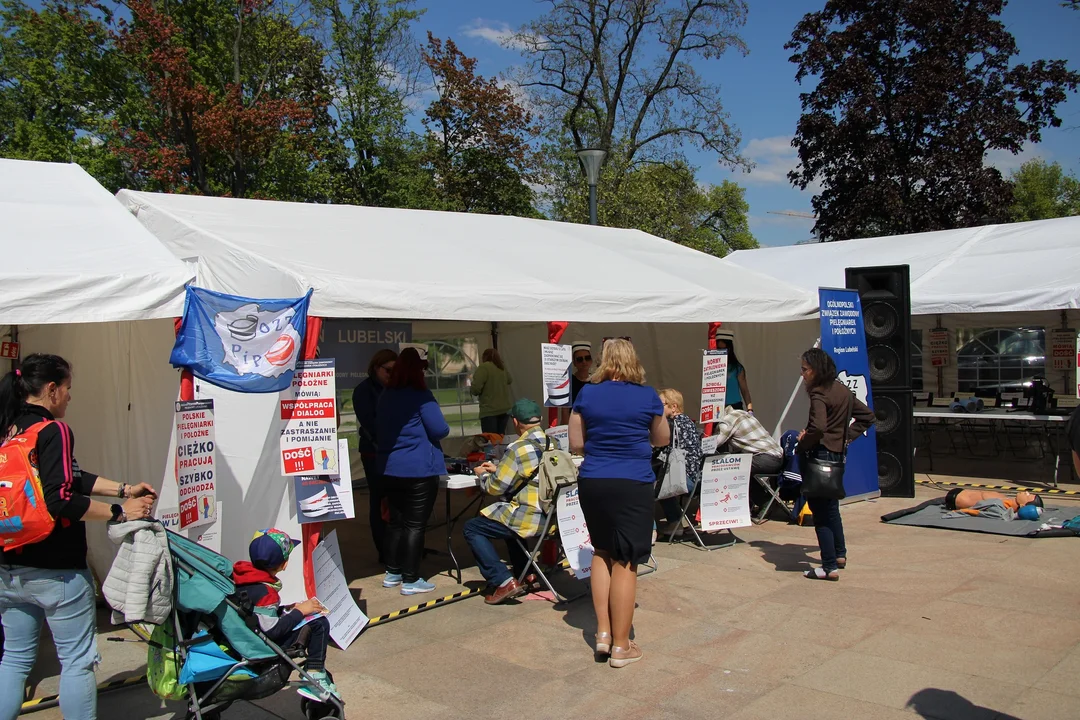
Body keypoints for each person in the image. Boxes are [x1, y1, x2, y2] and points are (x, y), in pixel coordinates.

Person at [0, 354, 156, 720]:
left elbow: (70, 475)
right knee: (77, 661)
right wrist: (122, 512)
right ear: (51, 390)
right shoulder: (54, 430)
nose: (70, 397)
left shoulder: (9, 429)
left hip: (10, 567)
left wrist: (124, 489)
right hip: (58, 571)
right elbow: (61, 498)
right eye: (68, 389)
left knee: (15, 658)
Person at [569, 339, 669, 668]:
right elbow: (662, 438)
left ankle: (603, 634)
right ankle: (622, 647)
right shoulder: (647, 396)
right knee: (626, 559)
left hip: (594, 479)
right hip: (633, 481)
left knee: (601, 550)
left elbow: (576, 442)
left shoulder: (587, 393)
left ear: (603, 361)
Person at [795, 348, 876, 581]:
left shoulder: (819, 394)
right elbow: (867, 416)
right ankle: (839, 554)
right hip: (836, 457)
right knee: (832, 509)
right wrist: (845, 437)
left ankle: (829, 566)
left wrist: (804, 440)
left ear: (816, 370)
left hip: (820, 456)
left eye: (805, 370)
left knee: (821, 514)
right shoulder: (842, 390)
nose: (802, 375)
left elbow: (818, 427)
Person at [231, 529, 337, 701]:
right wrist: (300, 611)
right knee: (320, 624)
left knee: (310, 617)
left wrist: (287, 609)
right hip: (265, 642)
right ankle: (315, 673)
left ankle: (316, 671)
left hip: (251, 633)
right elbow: (273, 630)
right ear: (284, 564)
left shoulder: (245, 579)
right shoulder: (266, 592)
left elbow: (257, 613)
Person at [376, 347, 450, 595]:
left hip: (390, 467)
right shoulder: (421, 395)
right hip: (418, 468)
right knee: (414, 526)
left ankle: (393, 572)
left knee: (396, 523)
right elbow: (439, 429)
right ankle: (410, 578)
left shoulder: (386, 394)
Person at [463, 398, 548, 605]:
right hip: (552, 519)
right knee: (508, 520)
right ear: (541, 419)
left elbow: (495, 488)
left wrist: (483, 475)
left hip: (529, 520)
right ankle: (527, 573)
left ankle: (503, 581)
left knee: (472, 528)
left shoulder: (517, 448)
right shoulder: (554, 443)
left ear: (516, 422)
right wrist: (501, 468)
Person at [352, 348, 397, 566]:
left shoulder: (396, 388)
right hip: (374, 452)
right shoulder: (364, 390)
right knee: (379, 500)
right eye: (387, 370)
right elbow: (371, 423)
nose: (391, 374)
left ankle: (398, 548)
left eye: (395, 371)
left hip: (395, 453)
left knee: (396, 500)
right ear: (376, 368)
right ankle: (384, 550)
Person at [710, 405, 785, 512]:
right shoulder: (742, 413)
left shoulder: (726, 421)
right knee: (741, 467)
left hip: (765, 458)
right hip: (778, 457)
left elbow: (714, 443)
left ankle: (763, 502)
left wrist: (705, 437)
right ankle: (761, 501)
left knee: (731, 467)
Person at [655, 389, 703, 536]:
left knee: (652, 486)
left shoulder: (672, 424)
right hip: (697, 477)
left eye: (661, 404)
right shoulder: (688, 421)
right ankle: (675, 523)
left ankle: (673, 524)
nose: (657, 408)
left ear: (674, 406)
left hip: (684, 478)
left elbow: (660, 449)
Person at [471, 349, 514, 435]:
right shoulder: (501, 367)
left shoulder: (484, 367)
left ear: (484, 357)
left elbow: (476, 389)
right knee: (500, 438)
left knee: (490, 440)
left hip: (489, 410)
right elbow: (509, 380)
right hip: (504, 409)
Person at [716, 332, 752, 412]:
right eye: (719, 349)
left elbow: (744, 390)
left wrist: (750, 409)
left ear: (729, 349)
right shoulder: (711, 368)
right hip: (717, 407)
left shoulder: (737, 368)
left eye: (724, 349)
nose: (722, 352)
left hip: (735, 407)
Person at [559, 342, 593, 425]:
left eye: (587, 358)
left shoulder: (596, 380)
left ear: (591, 360)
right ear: (574, 363)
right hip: (573, 425)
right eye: (580, 359)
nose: (584, 362)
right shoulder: (568, 381)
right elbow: (565, 410)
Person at [943, 488, 1042, 513]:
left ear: (1023, 505)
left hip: (955, 499)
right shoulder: (1007, 501)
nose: (1026, 492)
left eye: (1028, 495)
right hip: (961, 494)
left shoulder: (1001, 506)